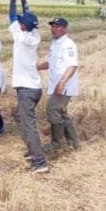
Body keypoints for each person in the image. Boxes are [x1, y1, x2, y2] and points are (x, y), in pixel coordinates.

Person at [9, 0, 48, 173]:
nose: (19, 23)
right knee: (17, 115)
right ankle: (32, 149)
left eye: (21, 22)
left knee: (29, 124)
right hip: (34, 88)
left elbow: (11, 17)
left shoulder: (21, 37)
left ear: (23, 26)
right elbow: (27, 16)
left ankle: (39, 162)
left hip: (26, 89)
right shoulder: (34, 34)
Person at [38, 17, 81, 152]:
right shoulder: (55, 44)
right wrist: (35, 67)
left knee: (52, 109)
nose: (54, 29)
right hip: (57, 84)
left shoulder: (68, 44)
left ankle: (56, 143)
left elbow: (72, 66)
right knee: (61, 113)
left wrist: (62, 83)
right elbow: (51, 63)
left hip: (64, 86)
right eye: (53, 26)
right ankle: (74, 143)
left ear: (65, 29)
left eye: (58, 26)